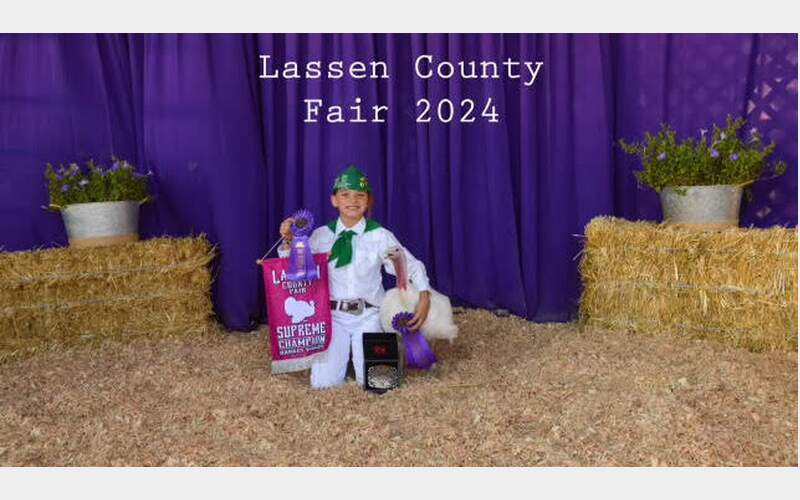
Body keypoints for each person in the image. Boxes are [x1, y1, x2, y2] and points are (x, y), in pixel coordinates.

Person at [278, 165, 431, 389]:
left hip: (368, 315)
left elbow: (409, 266)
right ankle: (343, 357)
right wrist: (290, 241)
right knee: (323, 385)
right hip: (332, 318)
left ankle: (366, 353)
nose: (353, 200)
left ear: (368, 201)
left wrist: (425, 296)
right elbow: (296, 270)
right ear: (334, 200)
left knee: (380, 385)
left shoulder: (379, 236)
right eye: (345, 195)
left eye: (360, 195)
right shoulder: (321, 236)